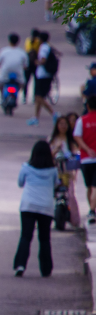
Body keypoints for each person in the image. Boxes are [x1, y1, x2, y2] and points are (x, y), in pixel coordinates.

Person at [14, 141, 58, 278]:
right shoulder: (53, 170)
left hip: (28, 205)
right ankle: (46, 269)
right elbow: (56, 184)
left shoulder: (26, 167)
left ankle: (20, 265)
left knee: (26, 236)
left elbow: (20, 183)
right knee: (44, 238)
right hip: (46, 206)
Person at [49, 116, 81, 227]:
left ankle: (74, 219)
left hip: (68, 172)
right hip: (55, 171)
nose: (63, 126)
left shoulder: (71, 141)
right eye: (61, 124)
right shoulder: (52, 139)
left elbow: (76, 155)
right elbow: (48, 156)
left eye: (65, 124)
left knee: (70, 194)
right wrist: (56, 149)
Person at [72, 96, 96, 224]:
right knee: (94, 186)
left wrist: (87, 149)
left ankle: (92, 210)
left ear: (87, 106)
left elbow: (77, 136)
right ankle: (92, 210)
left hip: (86, 159)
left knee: (90, 187)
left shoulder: (82, 120)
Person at [29, 31, 58, 126]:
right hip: (44, 76)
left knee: (39, 97)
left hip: (43, 76)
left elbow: (43, 60)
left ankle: (54, 113)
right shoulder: (48, 46)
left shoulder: (43, 48)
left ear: (40, 39)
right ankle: (36, 117)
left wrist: (36, 62)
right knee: (38, 98)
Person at [24, 28, 41, 101]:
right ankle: (34, 97)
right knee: (36, 81)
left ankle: (24, 97)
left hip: (28, 63)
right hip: (35, 64)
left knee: (26, 81)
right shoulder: (39, 41)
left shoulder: (27, 40)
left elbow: (27, 49)